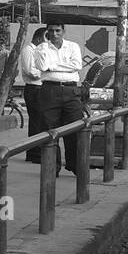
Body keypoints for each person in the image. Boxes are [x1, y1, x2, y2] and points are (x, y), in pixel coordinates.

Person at [33, 22, 85, 175]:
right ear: (47, 32)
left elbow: (77, 65)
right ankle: (52, 168)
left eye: (58, 31)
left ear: (63, 31)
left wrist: (53, 66)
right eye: (51, 31)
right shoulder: (41, 48)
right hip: (49, 90)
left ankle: (75, 166)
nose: (54, 34)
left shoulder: (73, 46)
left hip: (71, 90)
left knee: (75, 128)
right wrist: (44, 49)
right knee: (50, 131)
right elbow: (43, 67)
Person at [21, 27, 46, 163]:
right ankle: (35, 154)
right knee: (36, 122)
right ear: (38, 39)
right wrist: (46, 73)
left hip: (42, 89)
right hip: (34, 88)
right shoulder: (28, 51)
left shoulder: (40, 51)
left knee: (40, 121)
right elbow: (31, 71)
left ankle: (34, 152)